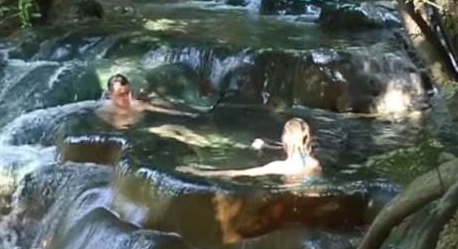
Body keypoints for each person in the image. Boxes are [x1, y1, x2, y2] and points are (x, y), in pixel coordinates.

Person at [179, 118, 321, 179]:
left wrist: (198, 172)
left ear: (285, 140)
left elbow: (236, 173)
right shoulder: (314, 163)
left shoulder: (279, 167)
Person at [98, 73, 197, 128]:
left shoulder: (137, 105)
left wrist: (191, 115)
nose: (128, 97)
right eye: (121, 94)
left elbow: (165, 111)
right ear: (110, 95)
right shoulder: (103, 112)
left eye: (128, 92)